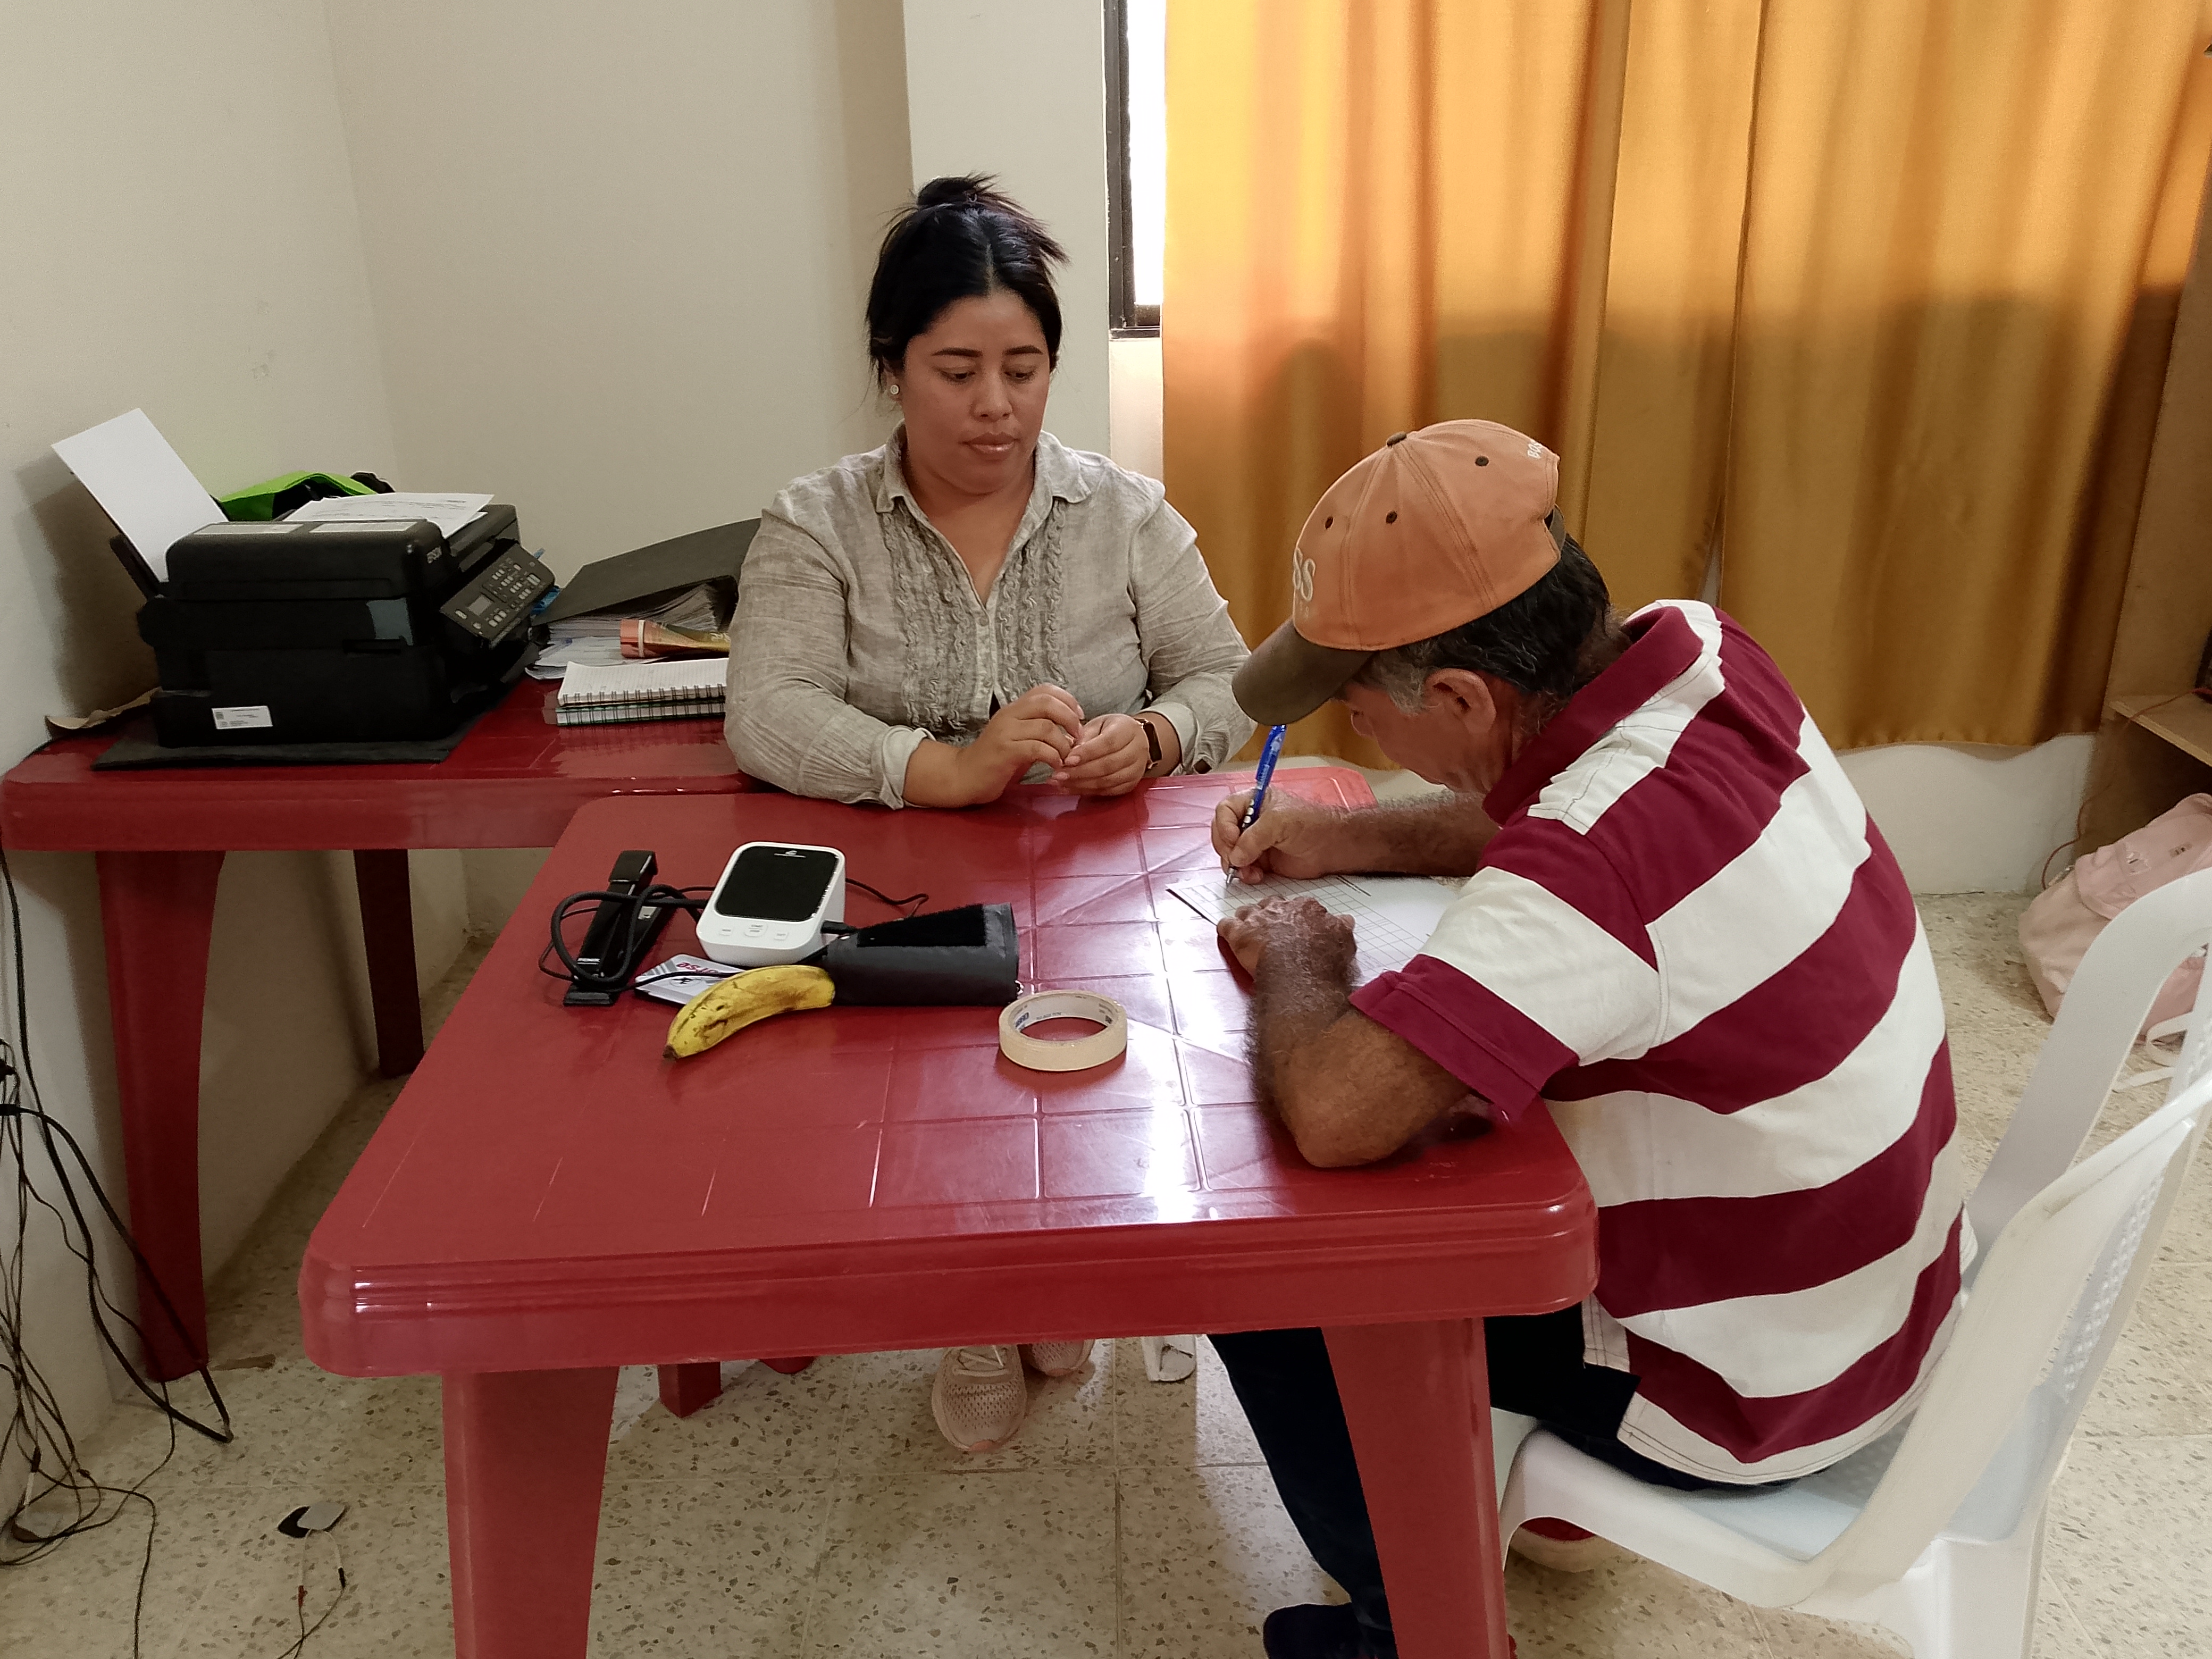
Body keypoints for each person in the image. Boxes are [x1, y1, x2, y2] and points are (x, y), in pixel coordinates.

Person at [1205, 421, 1970, 1659]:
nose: (1364, 740)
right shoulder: (1699, 654)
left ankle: (1413, 1629)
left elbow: (1338, 1114)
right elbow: (1545, 808)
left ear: (1461, 698)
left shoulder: (1587, 870)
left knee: (1265, 1272)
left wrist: (1300, 952)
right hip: (1883, 1302)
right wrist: (1345, 836)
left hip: (1748, 1389)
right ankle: (1509, 1498)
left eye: (1361, 711)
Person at [728, 175, 1254, 1453]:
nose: (996, 405)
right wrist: (947, 771)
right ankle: (972, 1309)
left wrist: (1152, 738)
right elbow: (766, 710)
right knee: (935, 1106)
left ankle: (1067, 1274)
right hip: (904, 893)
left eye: (1024, 369)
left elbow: (1225, 681)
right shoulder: (817, 523)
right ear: (891, 368)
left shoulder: (1121, 513)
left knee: (1094, 1077)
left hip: (1100, 886)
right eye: (956, 370)